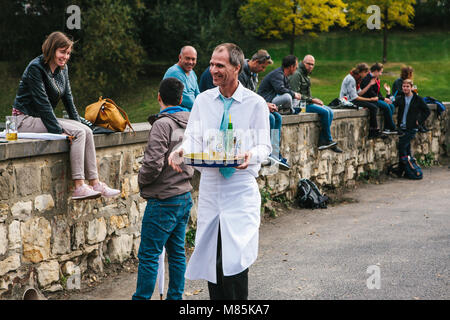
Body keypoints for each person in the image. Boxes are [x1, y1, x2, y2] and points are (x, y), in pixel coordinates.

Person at [169, 43, 271, 300]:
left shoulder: (255, 103)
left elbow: (265, 146)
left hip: (240, 189)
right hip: (212, 189)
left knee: (235, 260)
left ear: (237, 68)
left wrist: (251, 155)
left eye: (220, 65)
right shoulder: (203, 101)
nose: (213, 70)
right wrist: (180, 151)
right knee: (213, 260)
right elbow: (192, 139)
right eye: (212, 64)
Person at [12, 31, 120, 200]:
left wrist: (81, 123)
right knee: (77, 133)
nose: (66, 57)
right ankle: (79, 186)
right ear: (51, 49)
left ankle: (96, 183)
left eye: (68, 53)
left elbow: (68, 99)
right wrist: (57, 130)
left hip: (42, 118)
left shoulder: (63, 69)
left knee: (86, 131)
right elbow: (42, 104)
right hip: (24, 119)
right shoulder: (36, 67)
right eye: (62, 52)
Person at [132, 77, 194, 300]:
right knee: (177, 253)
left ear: (159, 97)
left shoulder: (162, 124)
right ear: (180, 98)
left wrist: (142, 181)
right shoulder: (190, 122)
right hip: (184, 195)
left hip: (163, 199)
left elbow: (152, 163)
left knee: (149, 254)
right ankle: (175, 298)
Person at [237, 49, 289, 170]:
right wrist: (264, 105)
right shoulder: (241, 73)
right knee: (269, 117)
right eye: (263, 67)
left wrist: (265, 104)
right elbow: (244, 97)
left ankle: (275, 153)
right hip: (243, 108)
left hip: (252, 106)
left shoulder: (253, 73)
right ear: (255, 62)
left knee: (277, 116)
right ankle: (266, 153)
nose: (263, 70)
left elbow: (253, 95)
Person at [289, 55, 342, 152]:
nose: (310, 66)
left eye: (312, 64)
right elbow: (294, 94)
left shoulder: (305, 75)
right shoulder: (297, 74)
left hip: (306, 102)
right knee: (325, 112)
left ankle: (322, 140)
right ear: (303, 62)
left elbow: (307, 94)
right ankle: (328, 140)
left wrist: (313, 99)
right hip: (299, 105)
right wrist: (312, 100)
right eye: (308, 64)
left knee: (329, 111)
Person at [257, 55, 301, 167]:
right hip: (265, 102)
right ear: (291, 66)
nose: (296, 69)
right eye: (296, 66)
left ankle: (275, 153)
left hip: (272, 102)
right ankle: (269, 152)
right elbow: (280, 90)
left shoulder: (284, 76)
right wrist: (293, 94)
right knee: (287, 97)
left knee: (278, 117)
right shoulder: (278, 74)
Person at [393, 79, 430, 174]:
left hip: (412, 127)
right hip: (402, 127)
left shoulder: (417, 99)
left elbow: (427, 111)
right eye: (403, 86)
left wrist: (419, 121)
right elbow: (392, 103)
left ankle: (402, 169)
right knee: (406, 149)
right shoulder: (400, 97)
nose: (405, 88)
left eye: (407, 86)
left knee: (401, 146)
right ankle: (408, 170)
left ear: (411, 87)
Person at [340, 63, 385, 139]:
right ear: (362, 72)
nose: (367, 75)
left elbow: (360, 93)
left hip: (352, 99)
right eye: (366, 73)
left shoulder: (356, 78)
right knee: (373, 107)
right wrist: (370, 99)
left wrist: (370, 84)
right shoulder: (351, 79)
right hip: (348, 101)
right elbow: (355, 97)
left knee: (374, 106)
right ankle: (373, 131)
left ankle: (373, 130)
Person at [360, 63, 399, 135]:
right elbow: (370, 93)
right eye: (380, 72)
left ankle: (387, 128)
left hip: (376, 98)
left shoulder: (376, 78)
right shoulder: (367, 78)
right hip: (369, 99)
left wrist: (385, 98)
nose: (381, 74)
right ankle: (392, 127)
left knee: (391, 105)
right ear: (375, 71)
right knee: (386, 106)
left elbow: (378, 92)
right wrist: (383, 99)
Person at [163, 46, 200, 111]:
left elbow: (197, 94)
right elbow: (184, 99)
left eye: (193, 59)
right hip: (175, 114)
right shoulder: (174, 72)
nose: (190, 62)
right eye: (187, 58)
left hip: (190, 112)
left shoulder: (192, 73)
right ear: (180, 57)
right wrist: (201, 106)